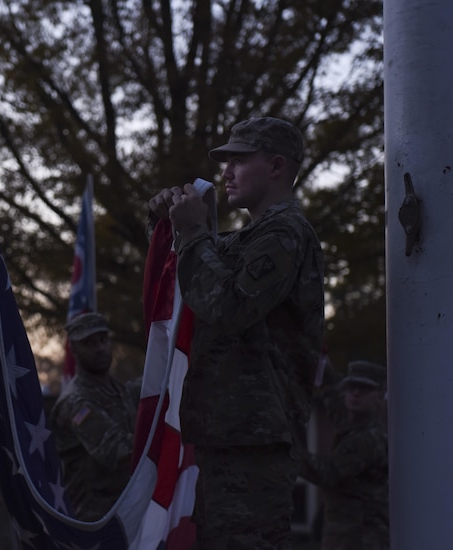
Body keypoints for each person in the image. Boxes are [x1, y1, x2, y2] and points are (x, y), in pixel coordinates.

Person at [148, 116, 325, 548]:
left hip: (256, 438)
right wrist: (173, 222)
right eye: (226, 162)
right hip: (233, 432)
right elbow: (198, 271)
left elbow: (228, 306)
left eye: (239, 160)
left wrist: (192, 231)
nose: (226, 172)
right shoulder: (251, 237)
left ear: (277, 167)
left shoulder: (285, 233)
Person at [49, 312, 139, 521]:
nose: (99, 348)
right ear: (74, 351)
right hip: (92, 521)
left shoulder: (118, 390)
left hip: (125, 511)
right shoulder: (76, 402)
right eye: (89, 343)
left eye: (103, 340)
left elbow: (150, 386)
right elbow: (117, 450)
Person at [300, 360, 389, 549]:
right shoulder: (353, 427)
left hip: (361, 538)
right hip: (344, 534)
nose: (355, 393)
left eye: (364, 389)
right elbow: (334, 398)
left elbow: (329, 473)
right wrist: (321, 366)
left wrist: (288, 453)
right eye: (351, 387)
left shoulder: (369, 439)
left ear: (380, 396)